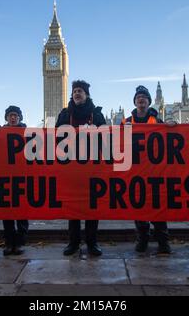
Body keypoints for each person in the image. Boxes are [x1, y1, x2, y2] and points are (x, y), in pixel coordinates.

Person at [56, 80, 106, 256]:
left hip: (92, 168)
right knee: (73, 207)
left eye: (80, 91)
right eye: (75, 91)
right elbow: (55, 139)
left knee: (92, 207)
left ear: (87, 95)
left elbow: (106, 140)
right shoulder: (64, 115)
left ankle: (92, 243)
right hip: (71, 169)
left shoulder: (97, 115)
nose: (77, 93)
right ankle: (73, 243)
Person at [121, 86, 171, 254]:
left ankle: (163, 240)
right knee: (139, 205)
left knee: (158, 205)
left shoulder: (158, 121)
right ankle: (142, 239)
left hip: (155, 170)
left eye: (144, 97)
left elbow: (170, 139)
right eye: (138, 97)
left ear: (149, 102)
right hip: (135, 171)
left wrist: (173, 127)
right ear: (134, 102)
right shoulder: (126, 122)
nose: (141, 99)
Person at [0, 105, 29, 256]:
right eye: (10, 115)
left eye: (15, 115)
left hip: (23, 177)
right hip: (5, 177)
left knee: (22, 211)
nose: (13, 117)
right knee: (7, 212)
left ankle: (20, 242)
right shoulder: (0, 132)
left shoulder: (28, 134)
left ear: (20, 117)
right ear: (6, 118)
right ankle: (9, 243)